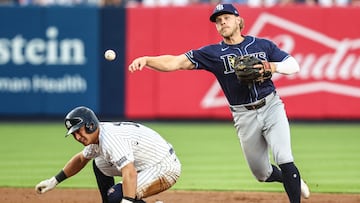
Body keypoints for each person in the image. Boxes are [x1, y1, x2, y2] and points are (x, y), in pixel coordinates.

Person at [128, 3, 310, 203]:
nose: (222, 22)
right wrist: (147, 59)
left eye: (227, 18)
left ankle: (291, 182)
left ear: (238, 20)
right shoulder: (213, 53)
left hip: (271, 106)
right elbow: (176, 62)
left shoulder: (262, 45)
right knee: (262, 174)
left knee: (284, 157)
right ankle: (290, 179)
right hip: (243, 115)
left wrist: (272, 66)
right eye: (218, 20)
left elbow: (294, 65)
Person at [35, 106, 181, 203]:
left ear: (90, 125)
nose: (77, 137)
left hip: (163, 168)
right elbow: (81, 159)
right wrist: (54, 180)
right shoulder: (98, 136)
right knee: (99, 162)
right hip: (146, 163)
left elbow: (129, 172)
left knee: (116, 196)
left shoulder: (111, 140)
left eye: (79, 131)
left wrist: (126, 201)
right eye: (74, 134)